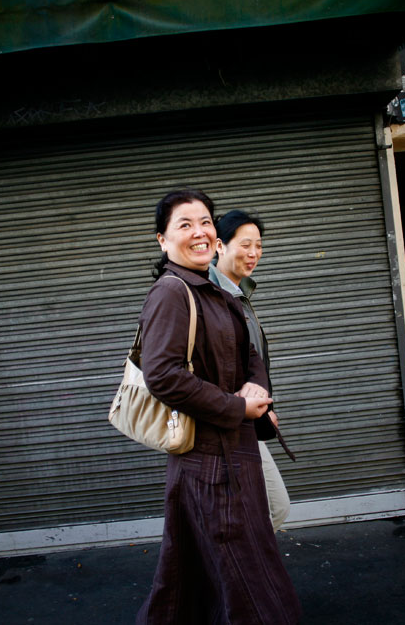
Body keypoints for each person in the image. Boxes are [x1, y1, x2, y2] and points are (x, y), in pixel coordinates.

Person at [136, 189, 301, 625]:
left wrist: (255, 393)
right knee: (240, 574)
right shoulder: (172, 292)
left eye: (205, 221)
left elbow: (251, 355)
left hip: (233, 451)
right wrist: (234, 406)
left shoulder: (214, 289)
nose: (200, 231)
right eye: (185, 224)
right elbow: (164, 376)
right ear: (162, 240)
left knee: (201, 573)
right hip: (210, 462)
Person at [209, 210, 292, 532]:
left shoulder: (239, 294)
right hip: (229, 424)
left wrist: (264, 407)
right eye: (246, 244)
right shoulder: (215, 298)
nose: (254, 253)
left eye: (259, 245)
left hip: (244, 419)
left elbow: (250, 361)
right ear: (220, 245)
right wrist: (248, 409)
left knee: (256, 514)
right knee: (272, 510)